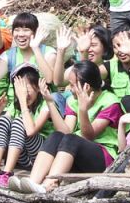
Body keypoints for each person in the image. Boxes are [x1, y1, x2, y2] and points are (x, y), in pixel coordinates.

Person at [18, 61, 124, 193]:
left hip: (104, 159)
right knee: (56, 136)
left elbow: (88, 136)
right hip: (76, 154)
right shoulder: (72, 100)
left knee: (72, 139)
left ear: (86, 86)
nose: (69, 88)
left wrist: (83, 110)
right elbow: (65, 131)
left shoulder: (110, 102)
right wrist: (50, 102)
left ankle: (49, 184)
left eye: (72, 85)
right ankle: (32, 182)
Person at [0, 65, 50, 188]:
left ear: (37, 87)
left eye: (27, 89)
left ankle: (7, 173)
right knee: (4, 119)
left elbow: (30, 131)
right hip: (23, 157)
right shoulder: (13, 106)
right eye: (19, 89)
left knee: (20, 121)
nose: (24, 93)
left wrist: (23, 102)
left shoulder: (45, 104)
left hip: (40, 156)